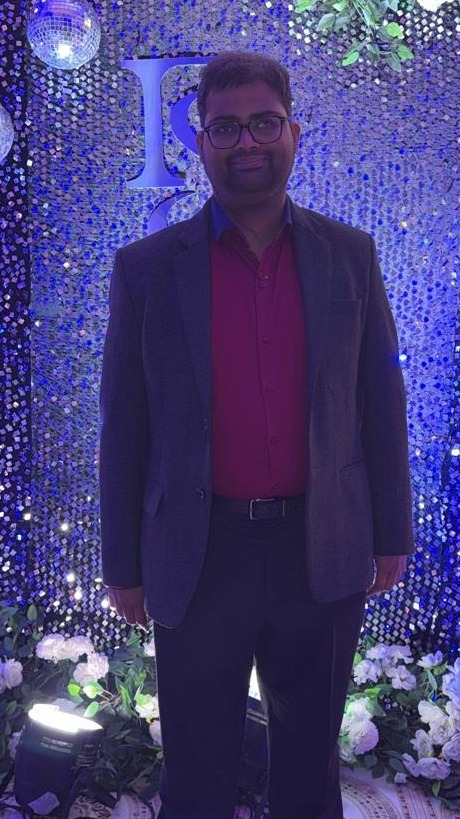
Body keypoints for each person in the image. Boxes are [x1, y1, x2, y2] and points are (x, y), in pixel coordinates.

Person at [99, 51, 413, 819]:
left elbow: (380, 399)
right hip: (199, 552)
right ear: (200, 142)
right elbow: (125, 424)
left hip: (322, 544)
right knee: (196, 780)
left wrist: (392, 533)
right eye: (227, 127)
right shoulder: (147, 269)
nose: (247, 142)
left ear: (294, 133)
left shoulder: (350, 255)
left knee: (308, 776)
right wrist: (122, 565)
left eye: (264, 123)